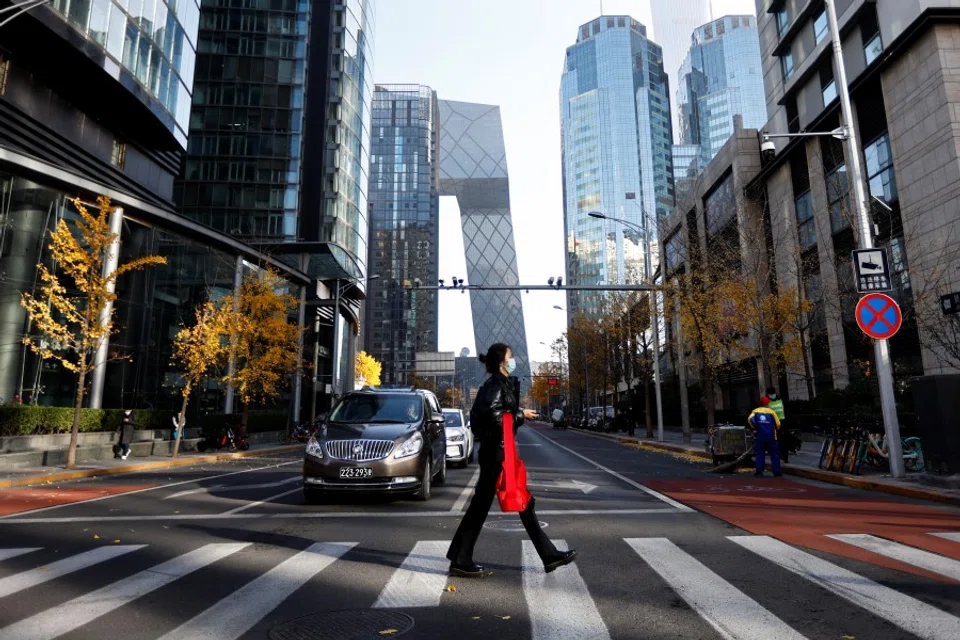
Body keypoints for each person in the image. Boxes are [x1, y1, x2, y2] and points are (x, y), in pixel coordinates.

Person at [447, 343, 578, 577]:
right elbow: (493, 417)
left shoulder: (501, 383)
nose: (513, 359)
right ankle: (460, 558)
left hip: (500, 450)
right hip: (496, 452)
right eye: (510, 356)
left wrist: (518, 412)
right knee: (488, 504)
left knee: (520, 500)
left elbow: (496, 413)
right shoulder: (494, 385)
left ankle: (548, 555)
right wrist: (520, 414)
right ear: (502, 361)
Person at [748, 398, 781, 477]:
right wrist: (774, 429)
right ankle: (776, 471)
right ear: (767, 404)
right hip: (772, 436)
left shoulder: (755, 411)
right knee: (774, 454)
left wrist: (756, 427)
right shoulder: (772, 412)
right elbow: (778, 424)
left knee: (760, 453)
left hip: (760, 436)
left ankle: (759, 471)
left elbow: (750, 419)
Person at [761, 386, 789, 462]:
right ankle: (783, 456)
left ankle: (779, 455)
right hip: (781, 421)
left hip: (773, 422)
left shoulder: (766, 400)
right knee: (782, 439)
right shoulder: (780, 399)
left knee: (776, 440)